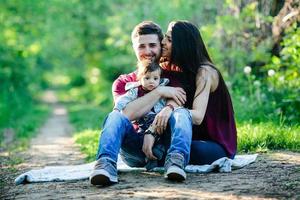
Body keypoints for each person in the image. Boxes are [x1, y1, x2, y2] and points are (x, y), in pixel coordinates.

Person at [89, 21, 186, 186]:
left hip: (166, 145)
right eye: (141, 46)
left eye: (153, 45)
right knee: (114, 116)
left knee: (181, 113)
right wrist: (160, 91)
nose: (147, 51)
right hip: (135, 150)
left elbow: (179, 103)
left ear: (161, 46)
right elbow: (126, 114)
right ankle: (105, 165)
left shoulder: (172, 75)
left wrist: (153, 131)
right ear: (134, 47)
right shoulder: (123, 82)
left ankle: (177, 162)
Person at [157, 20, 237, 181]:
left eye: (170, 40)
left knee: (178, 149)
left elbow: (198, 116)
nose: (163, 42)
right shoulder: (182, 70)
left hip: (214, 145)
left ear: (183, 46)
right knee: (159, 145)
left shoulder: (205, 72)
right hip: (192, 137)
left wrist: (169, 110)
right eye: (165, 37)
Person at [113, 60, 169, 170]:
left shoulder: (163, 88)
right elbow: (123, 100)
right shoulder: (135, 91)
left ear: (159, 79)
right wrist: (116, 109)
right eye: (147, 78)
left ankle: (157, 154)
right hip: (144, 123)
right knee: (142, 139)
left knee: (163, 138)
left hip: (159, 123)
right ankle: (151, 158)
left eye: (155, 78)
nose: (151, 82)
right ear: (140, 78)